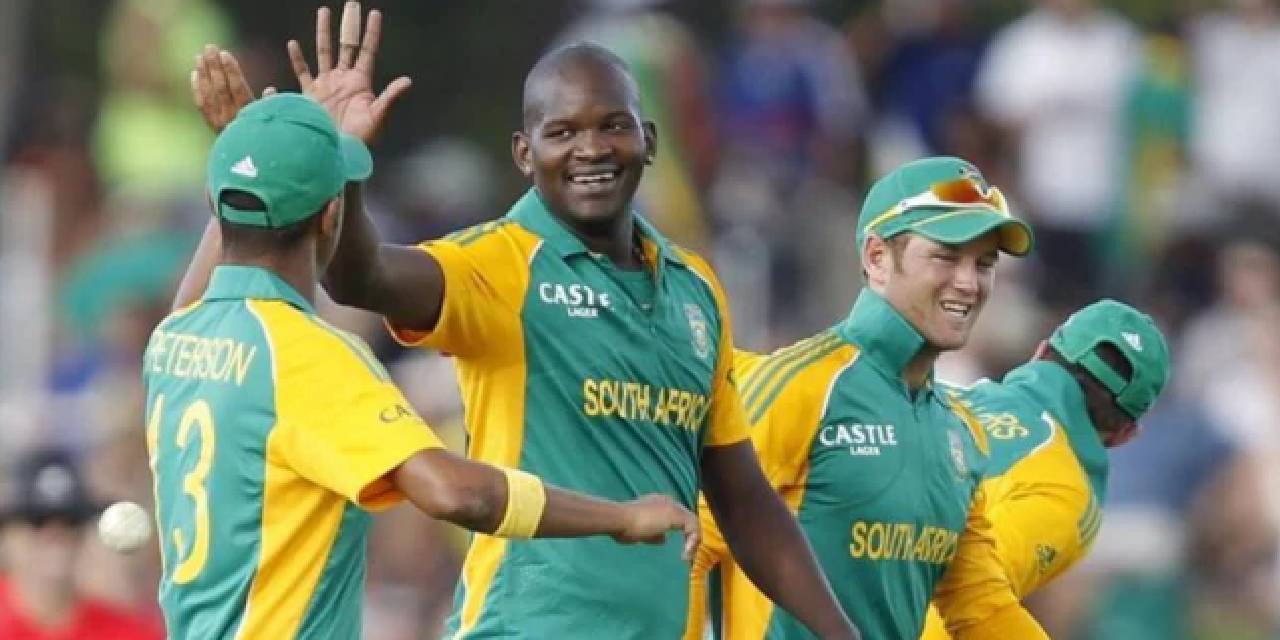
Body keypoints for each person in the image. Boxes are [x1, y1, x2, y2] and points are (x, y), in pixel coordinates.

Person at [178, 5, 858, 639]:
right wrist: (341, 160)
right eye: (562, 132)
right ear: (524, 154)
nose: (591, 148)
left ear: (647, 141)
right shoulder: (501, 265)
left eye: (612, 126)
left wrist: (841, 633)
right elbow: (360, 277)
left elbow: (744, 501)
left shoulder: (695, 289)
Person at [147, 88, 702, 639]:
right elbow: (455, 492)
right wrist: (621, 517)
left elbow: (198, 290)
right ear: (331, 216)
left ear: (217, 202)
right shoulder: (307, 355)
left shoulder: (173, 340)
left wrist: (252, 150)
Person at [686, 156, 1035, 639]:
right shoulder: (801, 386)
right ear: (876, 258)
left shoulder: (960, 431)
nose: (968, 282)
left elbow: (980, 606)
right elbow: (691, 543)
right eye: (946, 257)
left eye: (984, 264)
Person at [919, 299, 1172, 638]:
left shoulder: (944, 393)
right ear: (1125, 435)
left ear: (1039, 353)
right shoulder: (1067, 492)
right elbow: (964, 597)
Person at [0, 449, 162, 640]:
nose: (56, 536)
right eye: (37, 521)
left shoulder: (129, 633)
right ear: (7, 536)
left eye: (71, 521)